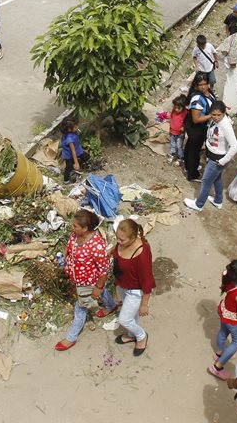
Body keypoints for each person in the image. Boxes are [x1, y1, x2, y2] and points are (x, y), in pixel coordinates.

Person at [54, 209, 114, 351]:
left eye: (75, 225)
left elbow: (103, 270)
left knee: (80, 307)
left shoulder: (96, 246)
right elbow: (69, 247)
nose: (72, 227)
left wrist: (97, 287)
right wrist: (63, 258)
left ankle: (72, 337)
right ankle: (111, 306)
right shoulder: (75, 235)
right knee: (101, 293)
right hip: (77, 277)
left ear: (85, 228)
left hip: (88, 282)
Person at [104, 218, 154, 356]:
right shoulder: (122, 242)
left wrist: (144, 304)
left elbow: (147, 281)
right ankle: (132, 334)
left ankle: (141, 336)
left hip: (135, 291)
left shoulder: (142, 254)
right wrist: (110, 252)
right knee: (132, 315)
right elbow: (117, 247)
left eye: (122, 239)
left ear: (132, 238)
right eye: (117, 237)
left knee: (124, 319)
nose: (118, 241)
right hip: (123, 285)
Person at [185, 100, 237, 212]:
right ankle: (218, 200)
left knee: (206, 181)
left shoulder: (225, 125)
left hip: (218, 159)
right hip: (213, 155)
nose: (216, 117)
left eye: (219, 115)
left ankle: (199, 204)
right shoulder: (215, 121)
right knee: (216, 178)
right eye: (213, 114)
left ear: (224, 113)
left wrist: (223, 161)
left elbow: (235, 146)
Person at [183, 73, 216, 182]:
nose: (203, 87)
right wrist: (213, 115)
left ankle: (188, 166)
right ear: (196, 85)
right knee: (194, 150)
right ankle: (192, 174)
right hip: (196, 128)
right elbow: (196, 119)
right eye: (200, 85)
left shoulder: (207, 93)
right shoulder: (197, 98)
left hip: (200, 126)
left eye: (205, 84)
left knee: (191, 147)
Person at [59, 117, 89, 182]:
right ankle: (66, 180)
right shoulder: (69, 140)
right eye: (75, 127)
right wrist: (76, 163)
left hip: (77, 150)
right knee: (68, 167)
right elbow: (73, 151)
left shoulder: (70, 132)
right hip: (69, 155)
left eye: (77, 126)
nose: (77, 127)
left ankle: (76, 164)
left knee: (87, 156)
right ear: (69, 129)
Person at [167, 94, 188, 166]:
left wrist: (184, 127)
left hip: (180, 133)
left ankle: (180, 158)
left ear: (183, 107)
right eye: (175, 107)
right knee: (172, 144)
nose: (176, 109)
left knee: (179, 146)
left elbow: (187, 122)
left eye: (178, 108)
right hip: (172, 131)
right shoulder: (174, 110)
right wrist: (165, 116)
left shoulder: (185, 113)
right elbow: (171, 116)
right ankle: (172, 154)